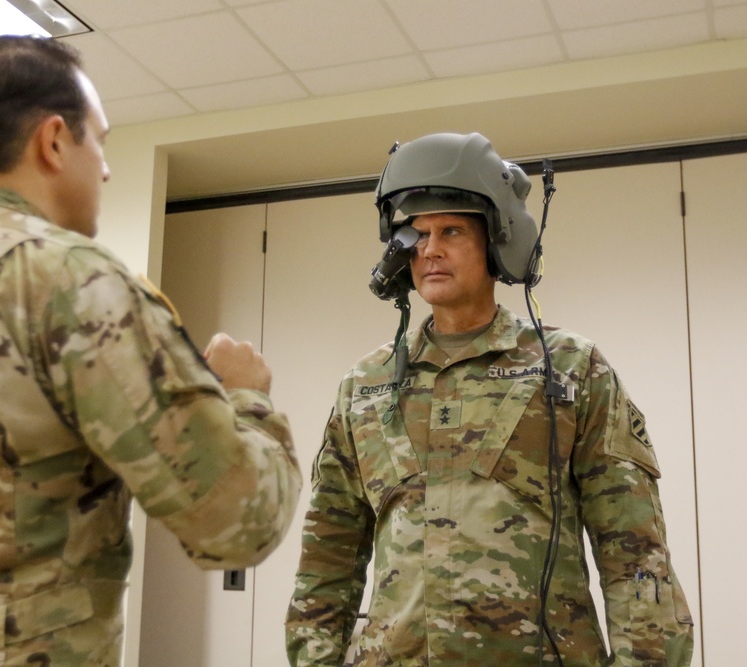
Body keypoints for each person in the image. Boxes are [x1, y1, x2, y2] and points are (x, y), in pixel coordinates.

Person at [0, 36, 301, 666]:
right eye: (101, 140)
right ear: (54, 140)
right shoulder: (71, 280)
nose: (107, 168)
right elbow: (237, 525)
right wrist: (245, 395)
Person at [285, 132, 693, 666]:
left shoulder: (570, 368)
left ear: (498, 241)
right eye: (416, 233)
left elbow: (635, 554)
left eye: (451, 230)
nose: (429, 249)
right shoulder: (364, 386)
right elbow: (327, 559)